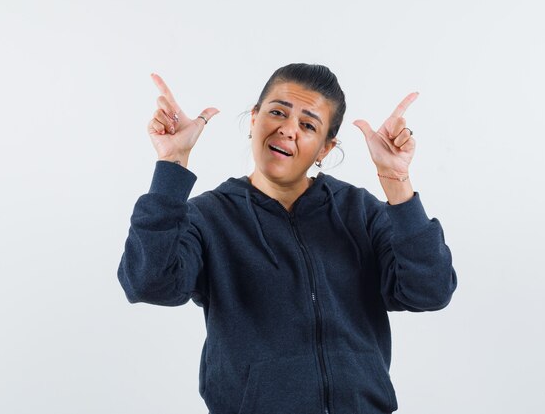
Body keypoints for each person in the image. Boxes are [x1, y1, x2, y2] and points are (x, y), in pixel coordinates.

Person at [117, 63, 457, 414]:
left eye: (308, 125)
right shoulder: (209, 217)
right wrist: (172, 165)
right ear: (254, 119)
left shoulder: (360, 212)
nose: (287, 130)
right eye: (277, 112)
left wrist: (396, 180)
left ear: (325, 149)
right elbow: (147, 283)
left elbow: (430, 291)